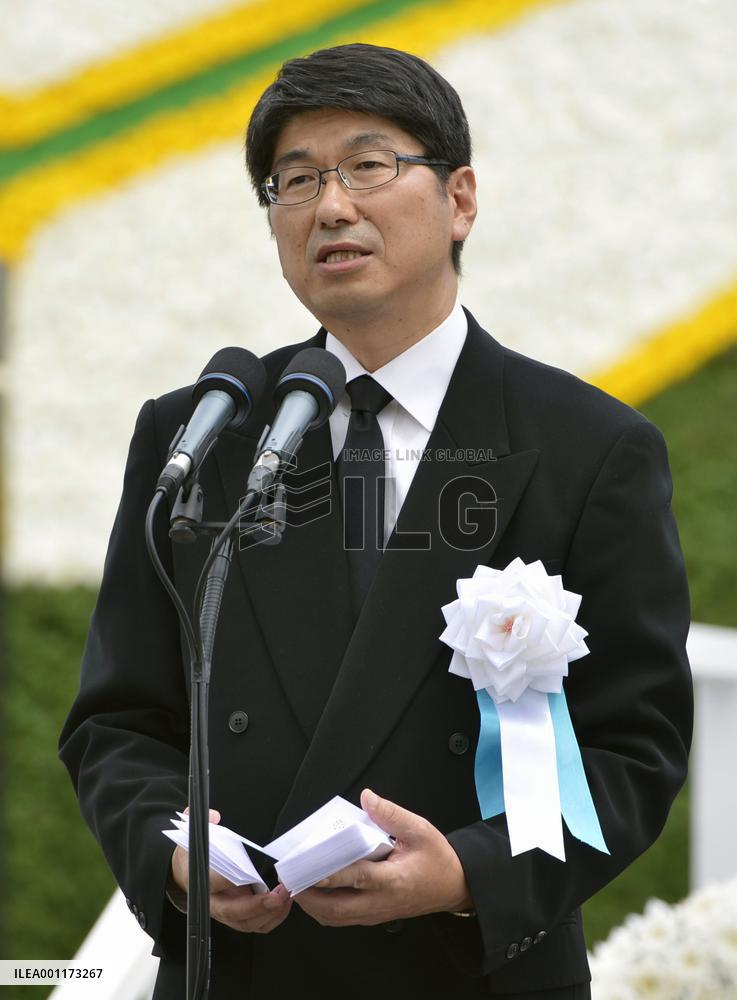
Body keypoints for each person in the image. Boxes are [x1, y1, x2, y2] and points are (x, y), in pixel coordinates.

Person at [59, 43, 692, 999]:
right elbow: (119, 718)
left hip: (467, 973)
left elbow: (630, 744)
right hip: (238, 972)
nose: (330, 206)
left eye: (368, 164)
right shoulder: (200, 432)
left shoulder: (588, 447)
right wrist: (178, 861)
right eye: (295, 180)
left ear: (460, 199)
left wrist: (468, 874)